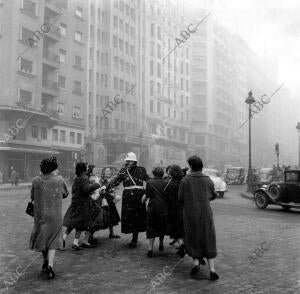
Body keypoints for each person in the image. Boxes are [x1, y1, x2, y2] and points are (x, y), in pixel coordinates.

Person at [178, 155, 219, 280]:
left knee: (193, 236)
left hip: (190, 213)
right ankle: (212, 269)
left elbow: (180, 198)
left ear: (190, 167)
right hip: (205, 213)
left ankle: (196, 263)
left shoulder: (185, 180)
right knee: (208, 237)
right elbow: (213, 195)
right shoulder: (208, 180)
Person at [29, 156, 68, 280]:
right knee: (53, 240)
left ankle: (45, 261)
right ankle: (50, 266)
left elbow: (32, 196)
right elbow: (65, 194)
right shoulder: (59, 179)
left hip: (40, 214)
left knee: (43, 238)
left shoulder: (36, 180)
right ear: (54, 168)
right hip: (55, 215)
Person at [109, 152, 149, 248]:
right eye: (126, 161)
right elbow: (116, 182)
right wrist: (109, 185)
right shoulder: (124, 170)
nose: (127, 162)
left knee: (137, 216)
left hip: (138, 195)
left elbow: (149, 180)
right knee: (129, 216)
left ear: (134, 161)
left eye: (129, 161)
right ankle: (132, 233)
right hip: (127, 195)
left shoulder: (141, 169)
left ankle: (134, 238)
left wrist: (147, 193)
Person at [63, 162, 100, 250]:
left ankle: (63, 238)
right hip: (82, 204)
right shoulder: (84, 177)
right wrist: (96, 185)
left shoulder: (76, 177)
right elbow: (85, 190)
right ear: (83, 168)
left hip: (75, 203)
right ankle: (75, 243)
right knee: (80, 224)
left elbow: (77, 190)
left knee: (72, 223)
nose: (87, 168)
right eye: (86, 167)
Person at [142, 167, 168, 257]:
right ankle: (161, 243)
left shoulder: (150, 182)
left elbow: (147, 195)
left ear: (153, 174)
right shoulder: (166, 183)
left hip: (153, 208)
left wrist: (142, 200)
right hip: (163, 208)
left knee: (151, 227)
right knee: (161, 226)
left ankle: (150, 249)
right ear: (162, 174)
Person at [164, 165, 184, 247]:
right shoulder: (183, 182)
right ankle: (182, 244)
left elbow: (169, 199)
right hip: (183, 208)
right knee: (180, 229)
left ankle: (181, 245)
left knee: (175, 229)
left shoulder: (171, 184)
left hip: (174, 210)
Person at [100, 167, 121, 239]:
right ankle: (90, 236)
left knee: (111, 217)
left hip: (110, 201)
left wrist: (113, 192)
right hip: (105, 201)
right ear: (104, 173)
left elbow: (111, 189)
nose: (109, 172)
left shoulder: (109, 180)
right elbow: (103, 191)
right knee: (102, 218)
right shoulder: (103, 180)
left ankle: (111, 233)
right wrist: (112, 195)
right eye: (107, 171)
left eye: (109, 171)